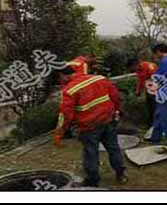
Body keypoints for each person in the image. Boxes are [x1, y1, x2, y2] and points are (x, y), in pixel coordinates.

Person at [54, 56, 127, 187]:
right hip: (109, 121)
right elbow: (116, 97)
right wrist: (118, 110)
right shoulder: (100, 78)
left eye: (59, 78)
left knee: (91, 153)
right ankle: (121, 174)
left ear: (63, 75)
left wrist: (60, 132)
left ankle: (93, 181)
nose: (60, 81)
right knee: (114, 148)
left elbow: (66, 115)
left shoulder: (69, 90)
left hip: (89, 127)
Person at [126, 58, 158, 127]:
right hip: (148, 90)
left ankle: (156, 124)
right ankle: (150, 124)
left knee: (155, 107)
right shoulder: (138, 70)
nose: (133, 69)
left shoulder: (149, 66)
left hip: (156, 90)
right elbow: (140, 80)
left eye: (132, 67)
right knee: (149, 107)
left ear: (135, 65)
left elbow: (155, 78)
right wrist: (138, 91)